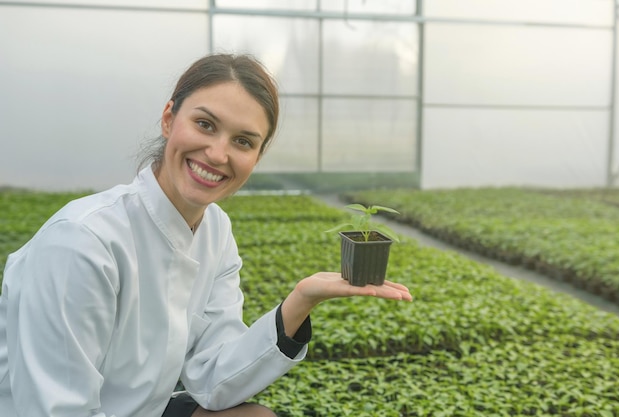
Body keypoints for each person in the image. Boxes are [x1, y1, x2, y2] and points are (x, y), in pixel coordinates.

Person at [0, 53, 412, 417]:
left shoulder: (215, 230)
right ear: (168, 118)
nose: (218, 154)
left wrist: (301, 300)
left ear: (256, 157)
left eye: (243, 141)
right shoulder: (82, 242)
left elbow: (213, 380)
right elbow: (57, 408)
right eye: (205, 124)